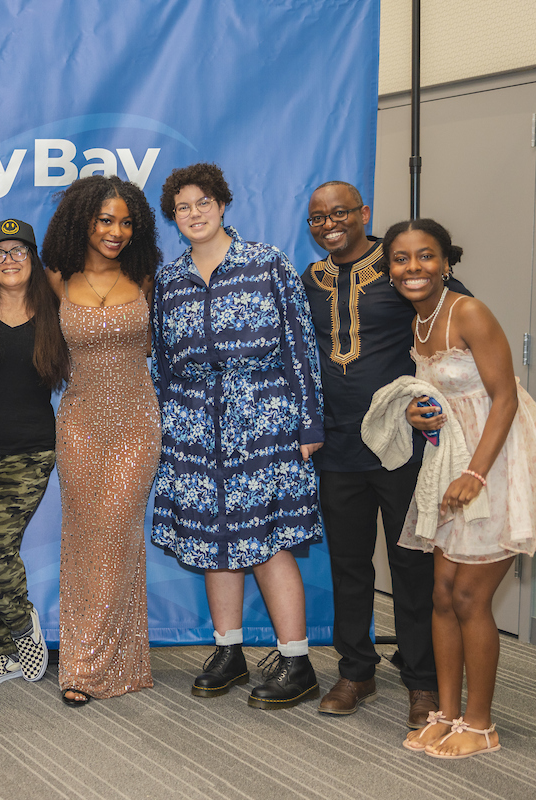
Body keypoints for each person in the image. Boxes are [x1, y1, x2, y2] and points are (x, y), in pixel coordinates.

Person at [382, 219, 536, 758]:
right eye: (401, 259)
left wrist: (476, 474)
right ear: (390, 269)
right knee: (441, 593)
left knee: (470, 596)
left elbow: (504, 398)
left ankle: (481, 724)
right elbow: (449, 400)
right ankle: (447, 714)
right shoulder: (419, 322)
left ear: (446, 262)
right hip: (452, 463)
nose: (413, 267)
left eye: (426, 256)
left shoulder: (467, 310)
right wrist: (425, 420)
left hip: (499, 462)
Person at [151, 163, 325, 709]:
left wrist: (310, 420)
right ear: (173, 219)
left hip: (264, 422)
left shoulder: (267, 263)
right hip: (193, 426)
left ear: (222, 205)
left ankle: (296, 660)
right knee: (212, 544)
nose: (194, 214)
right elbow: (159, 361)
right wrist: (162, 428)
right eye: (182, 207)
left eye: (203, 202)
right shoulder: (168, 280)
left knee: (267, 541)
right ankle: (228, 651)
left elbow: (301, 345)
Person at [301, 182, 468, 726]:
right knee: (348, 565)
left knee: (411, 565)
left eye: (341, 213)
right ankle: (355, 672)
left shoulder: (400, 268)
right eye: (319, 217)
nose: (331, 223)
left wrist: (440, 402)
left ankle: (422, 681)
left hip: (402, 447)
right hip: (336, 447)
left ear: (363, 213)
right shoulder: (310, 279)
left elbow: (453, 331)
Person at [41, 175, 161, 707]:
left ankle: (100, 663)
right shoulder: (57, 278)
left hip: (137, 422)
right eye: (105, 220)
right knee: (85, 538)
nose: (115, 231)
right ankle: (90, 662)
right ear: (82, 221)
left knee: (118, 533)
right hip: (81, 423)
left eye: (125, 221)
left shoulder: (149, 276)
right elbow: (11, 315)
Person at [0, 218, 69, 687]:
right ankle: (9, 652)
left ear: (33, 258)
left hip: (29, 451)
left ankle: (24, 632)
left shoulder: (58, 311)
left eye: (18, 251)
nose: (9, 260)